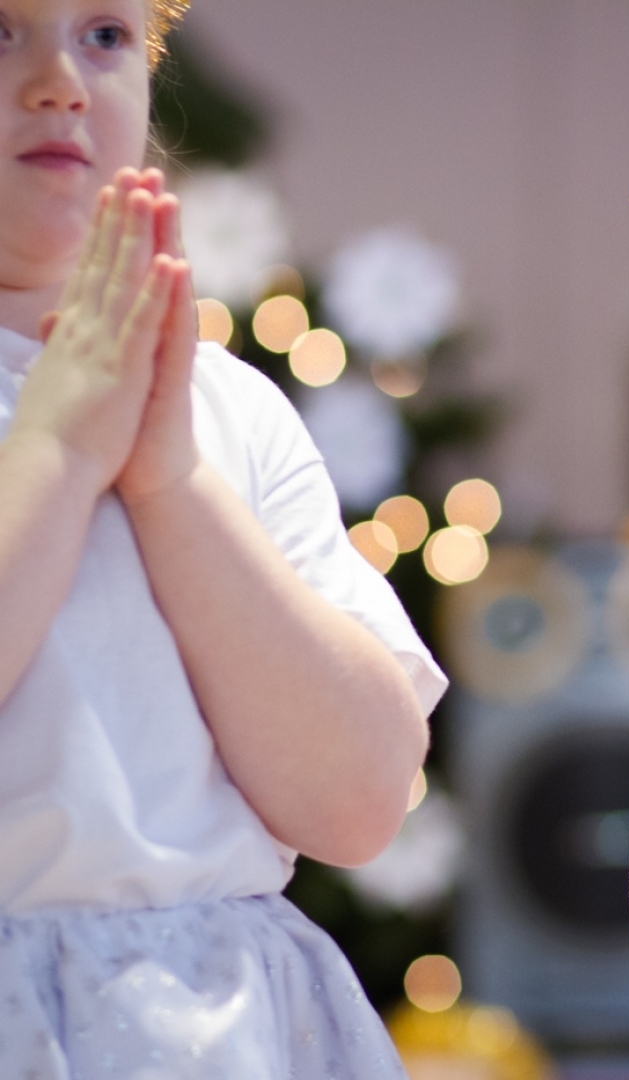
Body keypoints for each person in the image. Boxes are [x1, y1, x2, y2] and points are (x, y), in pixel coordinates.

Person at [0, 2, 446, 1075]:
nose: (60, 78)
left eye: (102, 34)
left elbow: (356, 800)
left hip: (239, 1027)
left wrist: (171, 478)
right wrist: (59, 443)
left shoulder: (231, 410)